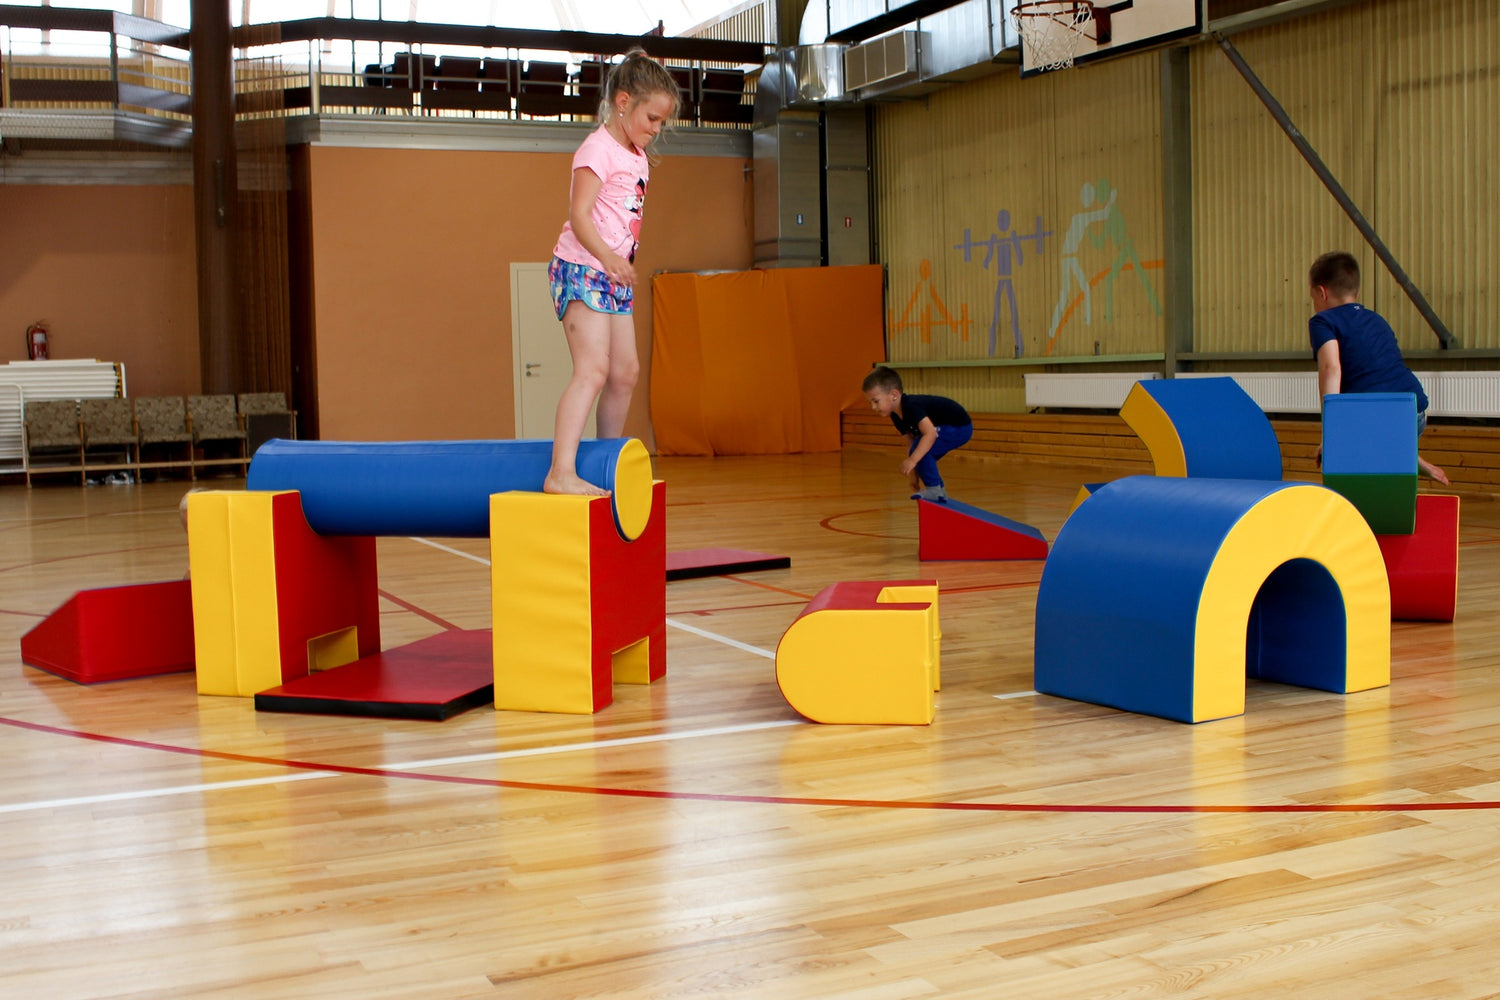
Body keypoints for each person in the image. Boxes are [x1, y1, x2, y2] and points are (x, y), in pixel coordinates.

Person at [543, 49, 680, 496]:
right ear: (624, 102)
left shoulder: (636, 153)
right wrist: (610, 258)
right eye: (652, 118)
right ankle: (560, 470)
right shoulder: (597, 149)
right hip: (583, 268)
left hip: (611, 274)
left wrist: (616, 265)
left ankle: (604, 464)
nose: (656, 130)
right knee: (593, 370)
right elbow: (579, 215)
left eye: (662, 122)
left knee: (626, 371)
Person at [1308, 251, 1449, 485]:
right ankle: (1406, 457)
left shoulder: (1323, 321)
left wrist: (1330, 432)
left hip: (1376, 417)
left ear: (1321, 293)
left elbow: (1331, 369)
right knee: (1372, 449)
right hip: (1413, 412)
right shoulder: (1376, 319)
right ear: (1357, 292)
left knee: (1354, 448)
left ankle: (1404, 458)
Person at [862, 365, 974, 502]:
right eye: (870, 403)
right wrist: (914, 474)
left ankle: (935, 490)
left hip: (959, 426)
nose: (873, 407)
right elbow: (911, 444)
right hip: (945, 428)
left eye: (876, 401)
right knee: (919, 450)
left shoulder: (910, 406)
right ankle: (939, 491)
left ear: (894, 395)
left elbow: (930, 434)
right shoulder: (896, 416)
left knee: (921, 450)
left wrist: (912, 460)